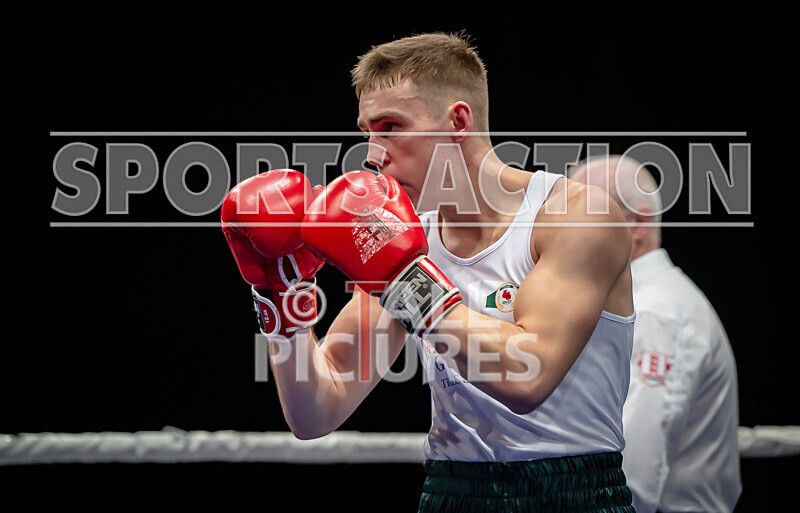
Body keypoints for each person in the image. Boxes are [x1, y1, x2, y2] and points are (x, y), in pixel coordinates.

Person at [222, 33, 636, 512]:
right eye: (367, 133)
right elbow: (318, 409)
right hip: (449, 492)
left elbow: (529, 377)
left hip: (573, 492)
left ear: (458, 121)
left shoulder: (576, 216)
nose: (373, 154)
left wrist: (403, 279)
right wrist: (283, 299)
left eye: (391, 127)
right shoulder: (406, 237)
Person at [569, 156, 741, 512]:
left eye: (579, 216)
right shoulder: (640, 307)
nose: (561, 234)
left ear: (637, 223)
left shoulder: (656, 315)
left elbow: (632, 477)